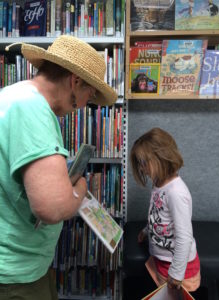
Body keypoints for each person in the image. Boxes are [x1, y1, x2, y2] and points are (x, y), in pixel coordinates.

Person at [0, 35, 117, 300]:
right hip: (15, 277)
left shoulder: (12, 96)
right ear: (75, 81)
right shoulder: (33, 109)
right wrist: (80, 186)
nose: (87, 103)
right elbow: (52, 207)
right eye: (90, 93)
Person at [130, 128, 201, 292]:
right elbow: (157, 214)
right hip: (162, 261)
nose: (141, 168)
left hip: (179, 269)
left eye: (144, 163)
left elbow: (184, 237)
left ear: (160, 158)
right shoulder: (158, 183)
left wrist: (176, 274)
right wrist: (147, 230)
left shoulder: (176, 192)